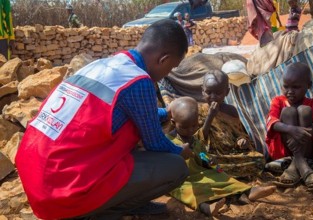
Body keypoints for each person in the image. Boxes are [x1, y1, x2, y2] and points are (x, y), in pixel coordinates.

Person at [15, 19, 193, 220]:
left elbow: (135, 113)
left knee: (130, 136)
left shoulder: (105, 65)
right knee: (176, 166)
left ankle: (111, 201)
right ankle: (103, 212)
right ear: (164, 59)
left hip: (37, 177)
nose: (165, 75)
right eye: (170, 68)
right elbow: (156, 143)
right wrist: (181, 151)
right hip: (61, 192)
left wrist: (165, 112)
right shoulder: (139, 80)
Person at [167, 96, 276, 217]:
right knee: (187, 192)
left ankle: (248, 191)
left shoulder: (194, 139)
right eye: (184, 127)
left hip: (202, 174)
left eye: (194, 126)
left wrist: (210, 161)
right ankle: (206, 207)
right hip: (182, 180)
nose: (190, 130)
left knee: (221, 177)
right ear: (173, 122)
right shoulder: (168, 141)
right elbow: (166, 165)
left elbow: (202, 154)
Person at [266, 62, 313, 192]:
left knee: (305, 110)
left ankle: (294, 167)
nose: (289, 92)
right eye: (286, 87)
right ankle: (303, 167)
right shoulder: (278, 101)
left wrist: (304, 131)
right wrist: (292, 129)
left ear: (308, 86)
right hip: (284, 150)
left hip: (307, 149)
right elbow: (272, 123)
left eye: (296, 87)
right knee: (288, 112)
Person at [197, 70, 265, 178]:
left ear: (227, 92)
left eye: (218, 93)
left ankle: (223, 174)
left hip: (233, 155)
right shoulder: (198, 110)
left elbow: (239, 133)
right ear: (202, 91)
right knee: (204, 159)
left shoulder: (231, 110)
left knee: (259, 160)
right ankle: (228, 174)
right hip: (213, 155)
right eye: (208, 92)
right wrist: (210, 117)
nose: (213, 96)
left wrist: (241, 140)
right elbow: (198, 138)